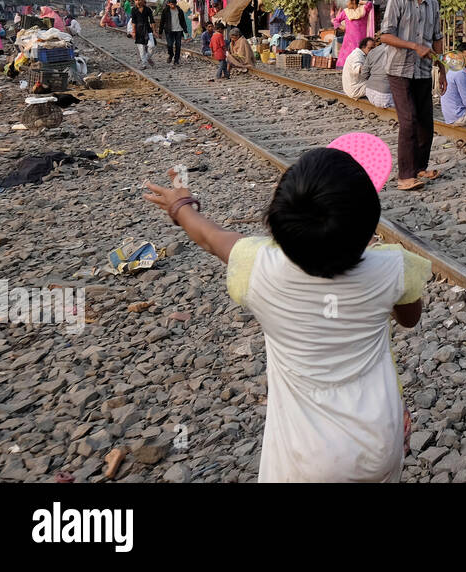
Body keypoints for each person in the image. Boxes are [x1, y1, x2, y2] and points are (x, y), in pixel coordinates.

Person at [142, 148, 431, 481]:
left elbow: (209, 238)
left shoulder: (258, 267)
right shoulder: (395, 266)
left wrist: (181, 206)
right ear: (368, 228)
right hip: (380, 435)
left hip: (303, 455)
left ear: (277, 229)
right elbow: (409, 319)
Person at [379, 0, 445, 191]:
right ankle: (404, 176)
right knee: (408, 121)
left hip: (424, 71)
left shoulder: (433, 4)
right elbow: (385, 36)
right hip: (399, 70)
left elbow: (437, 37)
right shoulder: (396, 1)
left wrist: (442, 69)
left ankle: (419, 167)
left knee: (426, 123)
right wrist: (414, 46)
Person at [333, 0, 372, 67]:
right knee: (347, 56)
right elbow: (335, 21)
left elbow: (369, 3)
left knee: (361, 54)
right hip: (349, 40)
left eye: (347, 1)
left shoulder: (363, 9)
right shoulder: (345, 12)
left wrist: (359, 1)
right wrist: (341, 26)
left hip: (362, 39)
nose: (346, 4)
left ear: (353, 1)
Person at [358, 38, 394, 108]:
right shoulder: (400, 51)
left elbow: (364, 74)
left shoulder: (373, 51)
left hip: (369, 93)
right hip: (386, 96)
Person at [342, 36, 374, 100]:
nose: (372, 51)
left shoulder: (363, 55)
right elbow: (358, 68)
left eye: (373, 49)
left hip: (358, 85)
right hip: (355, 89)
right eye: (370, 48)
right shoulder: (356, 55)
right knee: (382, 84)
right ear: (363, 47)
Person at [160, 0, 188, 66]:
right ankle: (171, 54)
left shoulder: (179, 10)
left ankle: (176, 60)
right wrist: (160, 32)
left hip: (178, 30)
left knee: (178, 45)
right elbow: (162, 22)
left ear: (176, 3)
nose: (173, 6)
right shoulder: (165, 11)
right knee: (169, 44)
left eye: (174, 4)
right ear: (169, 4)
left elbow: (183, 21)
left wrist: (185, 30)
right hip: (169, 30)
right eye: (171, 4)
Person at [128, 0, 155, 68]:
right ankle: (144, 64)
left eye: (139, 0)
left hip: (147, 29)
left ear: (142, 0)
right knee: (141, 49)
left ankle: (147, 58)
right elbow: (133, 22)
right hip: (138, 30)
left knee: (152, 46)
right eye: (136, 0)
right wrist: (133, 32)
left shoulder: (147, 9)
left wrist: (154, 31)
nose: (137, 2)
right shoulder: (134, 10)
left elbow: (152, 20)